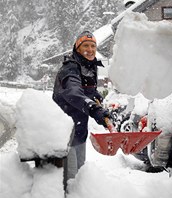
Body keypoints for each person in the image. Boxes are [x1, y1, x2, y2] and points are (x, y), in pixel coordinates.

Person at [52, 31, 110, 185]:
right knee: (69, 178)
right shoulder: (70, 68)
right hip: (64, 132)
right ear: (77, 48)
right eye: (85, 45)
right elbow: (73, 92)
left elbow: (86, 90)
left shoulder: (89, 65)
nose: (90, 49)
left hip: (79, 129)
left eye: (93, 46)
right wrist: (94, 109)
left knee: (79, 173)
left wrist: (95, 96)